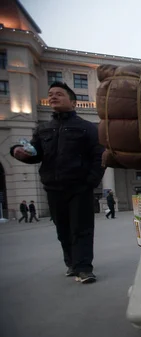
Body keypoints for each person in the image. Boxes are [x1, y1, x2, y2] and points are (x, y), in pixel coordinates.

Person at [10, 82, 104, 283]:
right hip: (53, 187)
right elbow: (35, 154)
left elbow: (99, 156)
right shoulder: (43, 129)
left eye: (59, 94)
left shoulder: (87, 128)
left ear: (73, 102)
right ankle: (71, 263)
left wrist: (91, 181)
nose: (53, 97)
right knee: (62, 228)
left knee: (82, 228)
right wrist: (19, 152)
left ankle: (84, 268)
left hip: (79, 187)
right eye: (51, 94)